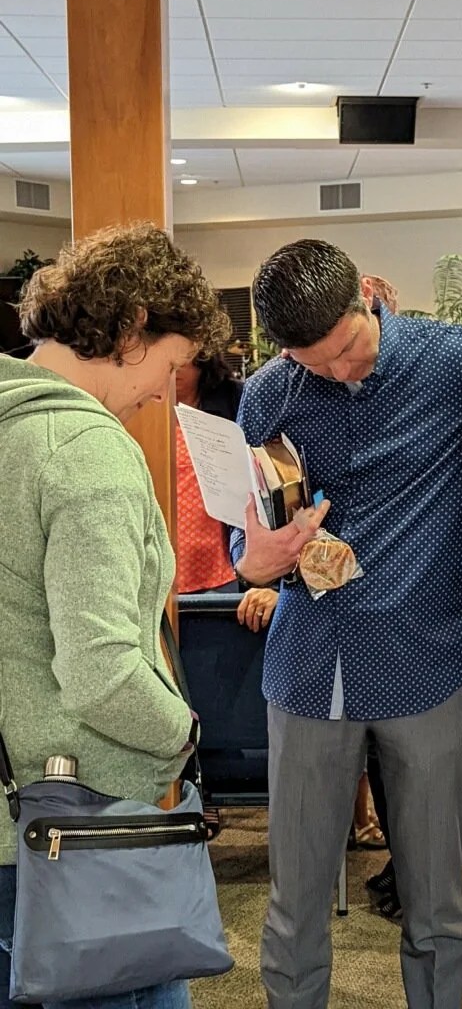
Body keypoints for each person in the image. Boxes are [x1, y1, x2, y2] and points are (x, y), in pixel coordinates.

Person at [233, 242, 462, 1009]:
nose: (340, 371)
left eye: (348, 349)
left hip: (426, 663)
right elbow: (245, 531)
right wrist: (255, 561)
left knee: (434, 902)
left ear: (366, 296)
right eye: (315, 363)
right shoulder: (267, 397)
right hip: (310, 669)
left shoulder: (455, 363)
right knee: (295, 901)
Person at [0, 222, 230, 1009]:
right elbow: (101, 671)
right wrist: (184, 735)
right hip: (80, 829)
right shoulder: (85, 450)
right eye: (170, 363)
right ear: (132, 329)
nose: (165, 390)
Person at [175, 351, 278, 631]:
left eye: (181, 358)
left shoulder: (237, 399)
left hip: (225, 571)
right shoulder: (140, 408)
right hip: (164, 573)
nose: (174, 369)